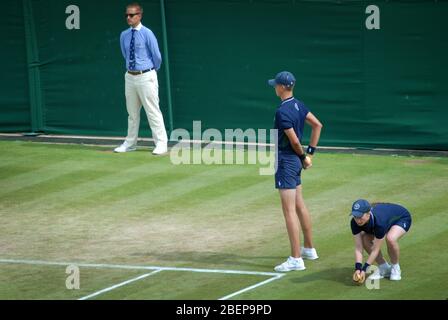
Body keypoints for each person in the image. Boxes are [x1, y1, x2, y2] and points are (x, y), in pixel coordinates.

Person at [268, 71, 323, 272]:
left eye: (276, 85)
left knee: (289, 211)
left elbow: (294, 140)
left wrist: (303, 157)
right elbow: (318, 125)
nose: (274, 87)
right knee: (299, 205)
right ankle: (309, 248)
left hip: (287, 161)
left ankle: (295, 258)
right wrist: (310, 154)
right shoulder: (299, 105)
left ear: (282, 87)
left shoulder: (282, 112)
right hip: (295, 162)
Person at [114, 3, 168, 155]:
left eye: (132, 15)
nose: (128, 18)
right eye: (126, 15)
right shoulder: (124, 34)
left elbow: (157, 56)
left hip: (146, 76)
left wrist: (149, 71)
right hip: (130, 76)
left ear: (140, 15)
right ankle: (130, 143)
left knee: (152, 111)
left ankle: (161, 144)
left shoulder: (147, 33)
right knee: (132, 113)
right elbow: (125, 54)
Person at [350, 199, 412, 282]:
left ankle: (395, 268)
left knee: (390, 238)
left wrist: (364, 269)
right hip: (385, 220)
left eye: (360, 216)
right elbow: (358, 248)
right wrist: (358, 268)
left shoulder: (379, 222)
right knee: (365, 239)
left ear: (368, 214)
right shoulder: (354, 223)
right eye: (355, 216)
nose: (358, 220)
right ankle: (384, 268)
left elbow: (375, 250)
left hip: (401, 218)